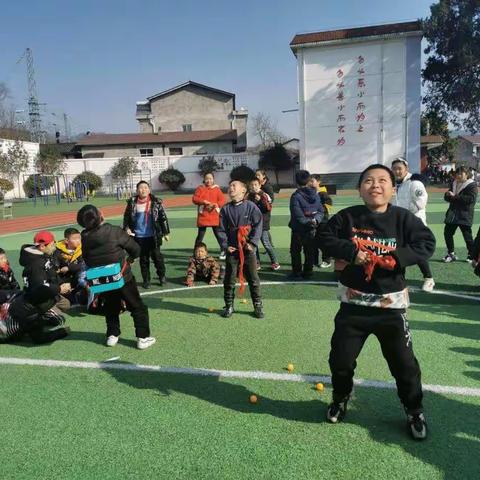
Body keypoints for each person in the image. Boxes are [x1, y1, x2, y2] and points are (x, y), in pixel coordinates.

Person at [318, 164, 436, 440]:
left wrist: (396, 259)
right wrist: (351, 250)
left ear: (393, 189)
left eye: (383, 180)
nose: (375, 185)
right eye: (368, 181)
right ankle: (341, 397)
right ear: (360, 189)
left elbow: (426, 243)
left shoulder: (403, 219)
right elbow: (323, 237)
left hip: (391, 309)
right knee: (341, 359)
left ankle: (414, 409)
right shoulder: (347, 217)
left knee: (404, 364)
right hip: (353, 307)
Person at [78, 204, 156, 350]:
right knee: (137, 306)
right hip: (122, 276)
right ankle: (143, 337)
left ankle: (112, 335)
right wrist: (131, 258)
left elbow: (87, 259)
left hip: (102, 278)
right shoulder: (113, 231)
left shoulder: (85, 237)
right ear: (99, 215)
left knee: (110, 306)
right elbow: (135, 249)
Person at [217, 180, 264, 319]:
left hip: (248, 249)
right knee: (229, 279)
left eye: (234, 186)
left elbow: (258, 225)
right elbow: (221, 230)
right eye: (229, 186)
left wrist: (253, 243)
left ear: (243, 191)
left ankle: (258, 305)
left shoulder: (251, 207)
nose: (230, 188)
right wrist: (225, 246)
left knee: (253, 278)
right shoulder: (225, 209)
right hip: (233, 249)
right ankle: (229, 305)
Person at [391, 157, 435, 292]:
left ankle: (429, 279)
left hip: (415, 225)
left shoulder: (414, 183)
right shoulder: (394, 184)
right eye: (394, 169)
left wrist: (405, 216)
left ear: (406, 169)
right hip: (399, 225)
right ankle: (399, 280)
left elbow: (421, 202)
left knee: (418, 252)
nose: (397, 171)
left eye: (400, 168)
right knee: (399, 251)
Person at [123, 181, 170, 289]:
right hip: (139, 237)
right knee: (144, 260)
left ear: (149, 190)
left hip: (153, 236)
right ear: (137, 190)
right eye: (140, 188)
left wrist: (165, 232)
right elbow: (126, 218)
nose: (143, 190)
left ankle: (162, 276)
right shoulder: (132, 203)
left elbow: (163, 218)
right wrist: (127, 228)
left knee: (157, 258)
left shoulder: (156, 202)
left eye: (145, 187)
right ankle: (146, 280)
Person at [19, 230, 71, 313]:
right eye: (52, 244)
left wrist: (61, 284)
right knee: (58, 317)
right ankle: (38, 314)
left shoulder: (44, 256)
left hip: (48, 293)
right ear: (42, 246)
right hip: (38, 299)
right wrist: (59, 289)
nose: (55, 246)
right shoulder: (36, 265)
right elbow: (40, 287)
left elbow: (52, 274)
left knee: (66, 304)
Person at [0, 286, 70, 344]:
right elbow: (40, 339)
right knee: (58, 319)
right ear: (44, 302)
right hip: (7, 334)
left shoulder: (20, 295)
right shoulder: (32, 317)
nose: (52, 303)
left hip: (9, 316)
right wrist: (62, 332)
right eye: (51, 301)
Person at [288, 170, 324, 280]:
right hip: (312, 228)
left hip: (299, 229)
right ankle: (308, 272)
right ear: (308, 181)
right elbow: (321, 211)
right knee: (309, 251)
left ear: (296, 182)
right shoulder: (316, 194)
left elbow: (297, 214)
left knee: (295, 251)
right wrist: (315, 220)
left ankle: (297, 272)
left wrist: (308, 221)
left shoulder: (295, 196)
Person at [443, 166, 478, 263]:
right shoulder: (454, 183)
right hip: (452, 214)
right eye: (457, 174)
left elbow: (470, 200)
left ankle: (471, 255)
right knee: (448, 233)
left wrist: (454, 197)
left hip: (465, 214)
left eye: (460, 174)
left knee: (467, 236)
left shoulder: (472, 185)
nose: (458, 176)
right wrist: (448, 195)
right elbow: (447, 197)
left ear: (466, 175)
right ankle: (451, 254)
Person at [247, 178, 280, 271]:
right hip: (252, 225)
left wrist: (261, 200)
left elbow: (268, 208)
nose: (254, 187)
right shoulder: (249, 196)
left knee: (266, 244)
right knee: (254, 245)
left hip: (263, 225)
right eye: (252, 185)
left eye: (255, 185)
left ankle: (275, 262)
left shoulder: (264, 195)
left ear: (260, 185)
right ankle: (256, 263)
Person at [192, 172, 226, 259]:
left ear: (213, 179)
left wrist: (215, 204)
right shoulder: (200, 188)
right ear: (204, 179)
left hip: (214, 215)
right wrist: (203, 201)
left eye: (210, 178)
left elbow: (222, 200)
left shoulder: (217, 189)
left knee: (219, 234)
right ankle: (196, 252)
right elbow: (194, 199)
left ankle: (223, 250)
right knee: (200, 236)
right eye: (207, 178)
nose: (208, 180)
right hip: (204, 216)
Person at [54, 227, 88, 305]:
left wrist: (69, 268)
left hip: (76, 279)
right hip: (63, 279)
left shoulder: (83, 249)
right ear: (66, 240)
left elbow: (84, 264)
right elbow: (56, 267)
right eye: (75, 239)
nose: (78, 241)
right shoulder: (58, 251)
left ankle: (78, 294)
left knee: (82, 273)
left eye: (79, 238)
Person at [308, 174, 333, 269]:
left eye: (312, 181)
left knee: (323, 241)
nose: (310, 183)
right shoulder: (310, 192)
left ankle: (327, 260)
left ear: (318, 182)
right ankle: (314, 260)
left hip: (323, 221)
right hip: (313, 221)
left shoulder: (322, 193)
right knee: (313, 241)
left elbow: (329, 204)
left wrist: (317, 209)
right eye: (309, 181)